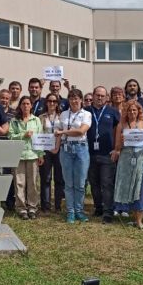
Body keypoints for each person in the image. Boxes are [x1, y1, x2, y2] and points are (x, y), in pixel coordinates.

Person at [111, 100, 143, 229]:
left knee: (141, 187)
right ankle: (133, 217)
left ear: (139, 111)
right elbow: (117, 147)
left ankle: (139, 220)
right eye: (129, 110)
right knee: (129, 187)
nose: (132, 112)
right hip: (126, 159)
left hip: (142, 158)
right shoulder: (121, 125)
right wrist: (122, 142)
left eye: (134, 110)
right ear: (126, 112)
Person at [53, 88, 92, 224]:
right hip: (66, 149)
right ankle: (70, 212)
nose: (74, 101)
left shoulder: (86, 114)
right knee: (68, 183)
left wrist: (63, 131)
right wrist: (56, 148)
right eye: (71, 98)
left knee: (80, 184)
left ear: (81, 100)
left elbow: (81, 131)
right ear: (68, 100)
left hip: (81, 149)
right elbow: (58, 134)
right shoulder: (63, 114)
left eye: (76, 98)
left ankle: (79, 211)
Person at [85, 86, 120, 222]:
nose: (99, 98)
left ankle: (108, 212)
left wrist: (116, 148)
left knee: (106, 183)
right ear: (93, 96)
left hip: (107, 154)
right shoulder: (86, 111)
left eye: (102, 95)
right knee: (94, 183)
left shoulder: (113, 112)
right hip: (89, 153)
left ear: (106, 98)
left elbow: (119, 130)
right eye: (97, 95)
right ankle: (98, 207)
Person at [8, 96, 44, 219]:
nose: (26, 106)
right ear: (20, 106)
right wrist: (23, 135)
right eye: (23, 104)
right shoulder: (14, 121)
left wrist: (40, 154)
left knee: (33, 183)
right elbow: (11, 136)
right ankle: (21, 208)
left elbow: (40, 138)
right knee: (19, 183)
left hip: (32, 155)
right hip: (18, 155)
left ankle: (32, 208)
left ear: (31, 105)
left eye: (28, 103)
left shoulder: (36, 120)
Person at [39, 93, 65, 212]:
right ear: (46, 102)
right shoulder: (41, 117)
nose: (52, 103)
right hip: (45, 150)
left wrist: (57, 148)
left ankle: (58, 206)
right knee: (46, 178)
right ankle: (46, 206)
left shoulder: (62, 117)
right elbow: (38, 135)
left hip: (59, 150)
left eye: (55, 101)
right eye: (50, 101)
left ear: (58, 104)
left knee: (59, 178)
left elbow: (63, 132)